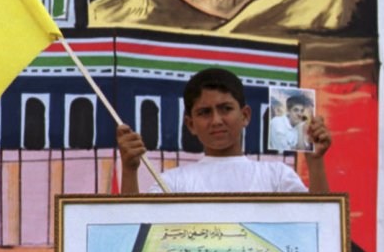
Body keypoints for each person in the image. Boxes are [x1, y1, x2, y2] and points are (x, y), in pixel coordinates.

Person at [117, 67, 332, 194]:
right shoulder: (173, 183)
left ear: (245, 115)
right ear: (191, 125)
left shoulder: (277, 177)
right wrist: (129, 170)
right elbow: (134, 230)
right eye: (204, 112)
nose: (216, 120)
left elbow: (317, 227)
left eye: (226, 109)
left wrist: (315, 163)